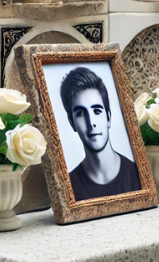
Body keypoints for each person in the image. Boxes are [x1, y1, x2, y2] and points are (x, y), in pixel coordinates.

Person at [60, 66, 141, 201]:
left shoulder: (139, 176)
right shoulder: (68, 189)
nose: (91, 122)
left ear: (108, 117)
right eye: (80, 113)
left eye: (97, 111)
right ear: (72, 122)